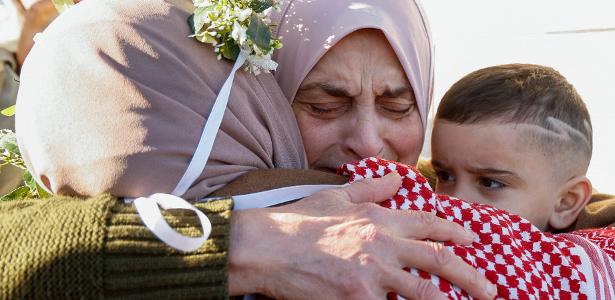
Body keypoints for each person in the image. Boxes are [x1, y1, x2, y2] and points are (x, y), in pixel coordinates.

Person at [7, 0, 496, 299]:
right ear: (251, 101)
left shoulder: (486, 198)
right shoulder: (132, 198)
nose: (368, 141)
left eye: (397, 106)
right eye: (324, 105)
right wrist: (243, 241)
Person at [430, 64, 597, 232]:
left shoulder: (591, 255)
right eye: (445, 176)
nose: (452, 201)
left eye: (490, 183)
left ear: (565, 202)